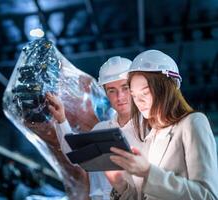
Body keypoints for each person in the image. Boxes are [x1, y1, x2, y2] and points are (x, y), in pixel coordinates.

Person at [108, 50, 218, 200]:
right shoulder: (152, 136)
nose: (139, 102)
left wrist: (148, 172)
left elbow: (207, 196)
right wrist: (120, 185)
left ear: (165, 89)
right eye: (134, 96)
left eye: (145, 93)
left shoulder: (193, 123)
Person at [46, 56, 142, 200]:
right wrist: (61, 120)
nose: (120, 96)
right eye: (112, 90)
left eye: (125, 88)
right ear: (105, 93)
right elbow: (76, 156)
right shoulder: (100, 129)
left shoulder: (151, 130)